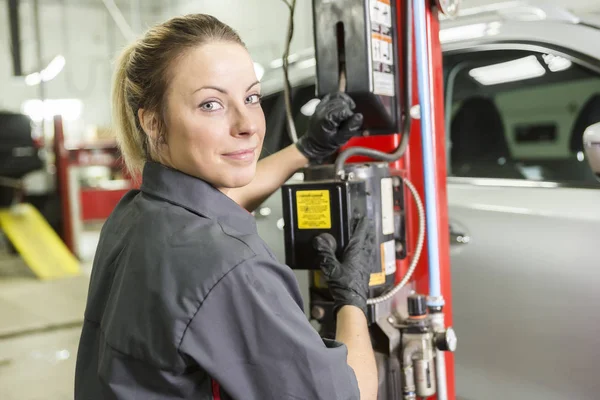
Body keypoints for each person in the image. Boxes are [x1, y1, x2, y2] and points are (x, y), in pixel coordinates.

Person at [74, 13, 378, 400]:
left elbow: (218, 205)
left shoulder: (134, 215)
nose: (248, 124)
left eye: (251, 97)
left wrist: (306, 150)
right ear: (152, 122)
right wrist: (352, 300)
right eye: (211, 104)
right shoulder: (231, 268)